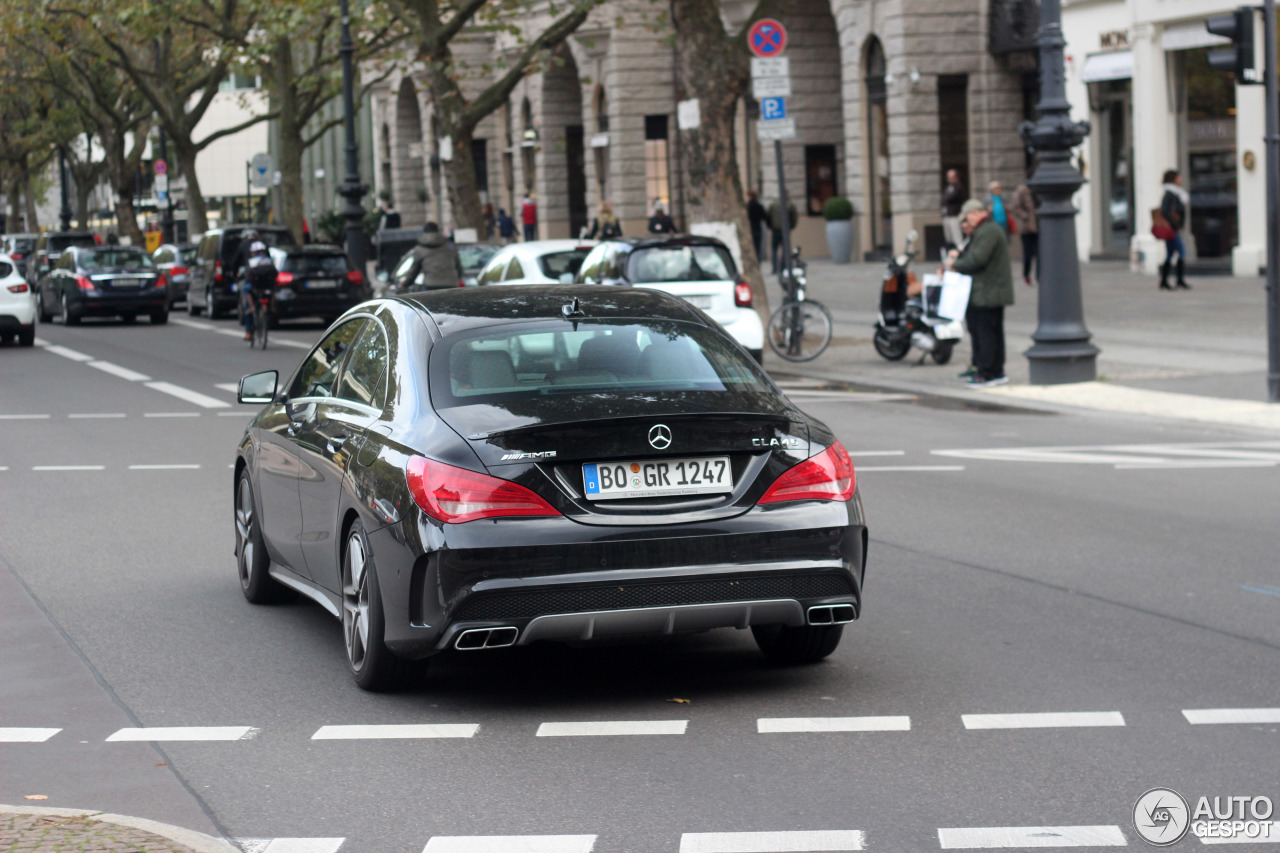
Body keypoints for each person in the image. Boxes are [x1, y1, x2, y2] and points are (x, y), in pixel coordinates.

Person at [946, 199, 1013, 388]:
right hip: (985, 291)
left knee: (988, 334)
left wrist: (955, 265)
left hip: (989, 292)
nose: (967, 223)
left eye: (968, 218)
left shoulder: (989, 231)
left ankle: (989, 372)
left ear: (976, 213)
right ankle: (991, 370)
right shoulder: (984, 231)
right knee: (987, 332)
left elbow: (977, 259)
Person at [397, 222, 462, 291]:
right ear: (438, 231)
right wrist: (458, 278)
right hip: (451, 284)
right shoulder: (449, 246)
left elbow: (414, 271)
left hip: (431, 285)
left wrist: (405, 285)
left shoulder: (419, 248)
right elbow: (458, 267)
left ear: (424, 232)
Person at [1159, 169, 1190, 290]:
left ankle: (1165, 281)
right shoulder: (1170, 194)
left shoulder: (1176, 193)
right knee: (1181, 252)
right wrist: (1176, 224)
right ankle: (1179, 280)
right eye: (1178, 177)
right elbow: (1165, 211)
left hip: (1173, 229)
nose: (1180, 179)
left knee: (1170, 254)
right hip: (1171, 229)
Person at [240, 239, 276, 340]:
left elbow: (247, 276)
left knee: (245, 291)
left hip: (255, 288)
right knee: (273, 290)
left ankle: (251, 307)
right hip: (267, 287)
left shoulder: (251, 262)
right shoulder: (269, 261)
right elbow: (275, 274)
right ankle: (272, 306)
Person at [1010, 179, 1039, 286]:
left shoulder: (1040, 189)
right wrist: (1025, 216)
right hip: (1027, 228)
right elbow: (1016, 207)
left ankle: (1039, 276)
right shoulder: (1022, 190)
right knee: (1028, 254)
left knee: (1040, 253)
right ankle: (1026, 275)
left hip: (1039, 226)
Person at [767, 198, 798, 274]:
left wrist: (771, 226)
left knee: (774, 249)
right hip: (785, 230)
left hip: (775, 229)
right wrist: (791, 226)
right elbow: (794, 217)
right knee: (785, 249)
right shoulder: (789, 205)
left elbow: (768, 217)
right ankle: (783, 267)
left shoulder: (773, 205)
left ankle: (775, 267)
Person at [941, 169, 965, 249]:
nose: (949, 179)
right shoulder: (948, 188)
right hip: (947, 215)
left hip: (955, 215)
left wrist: (946, 199)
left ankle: (960, 251)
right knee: (948, 237)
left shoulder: (959, 187)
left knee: (956, 235)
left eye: (951, 177)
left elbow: (951, 198)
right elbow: (944, 199)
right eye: (948, 177)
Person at [746, 190, 767, 262]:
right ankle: (758, 261)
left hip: (750, 229)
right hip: (757, 228)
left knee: (752, 247)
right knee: (758, 247)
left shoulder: (747, 206)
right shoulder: (758, 206)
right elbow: (764, 216)